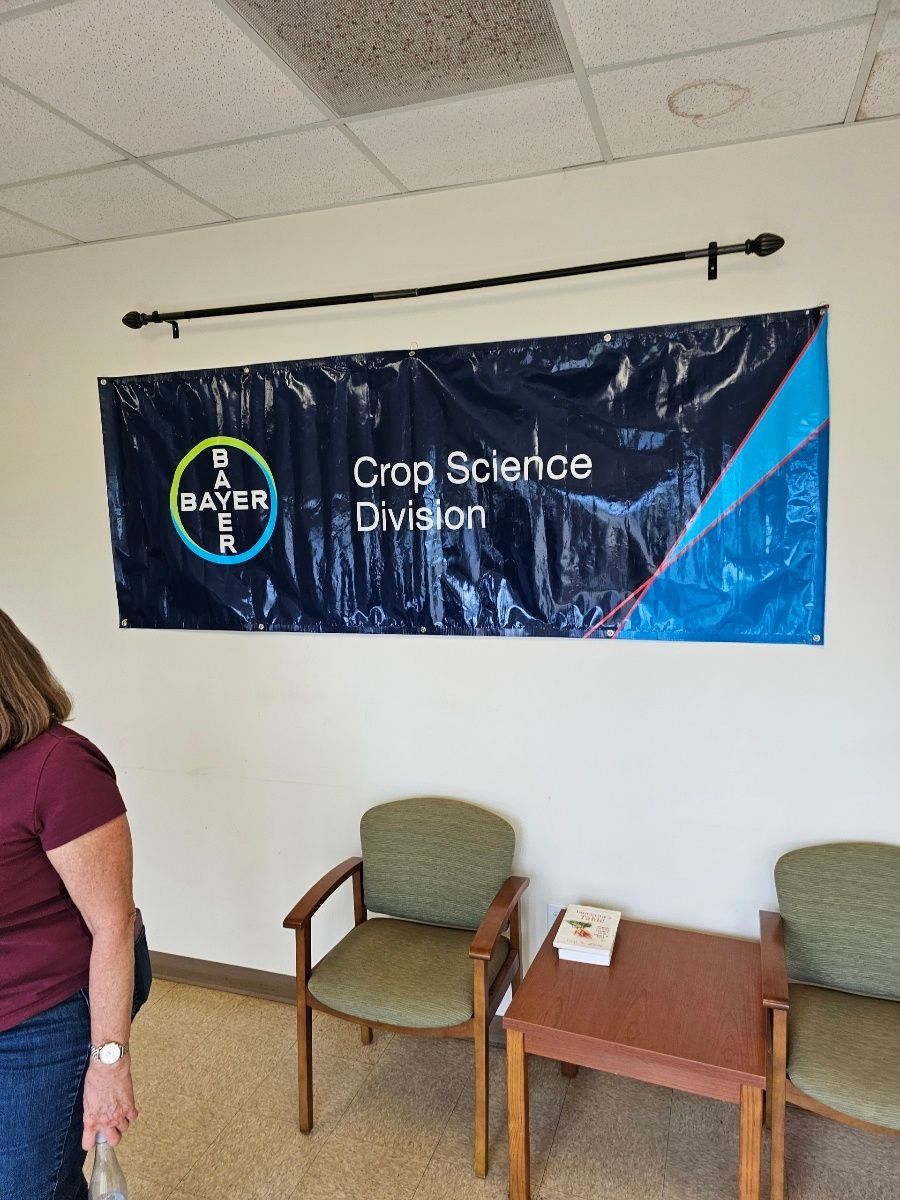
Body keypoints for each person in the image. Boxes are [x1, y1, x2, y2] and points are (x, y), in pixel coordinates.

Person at [0, 609, 150, 1199]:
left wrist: (109, 1063)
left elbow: (114, 927)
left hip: (47, 1008)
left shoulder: (58, 766)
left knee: (27, 1187)